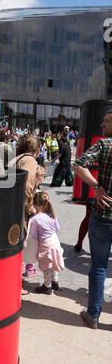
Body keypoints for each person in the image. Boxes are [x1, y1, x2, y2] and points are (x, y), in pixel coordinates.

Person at [73, 109, 112, 329]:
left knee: (98, 266)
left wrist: (96, 187)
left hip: (104, 216)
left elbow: (78, 164)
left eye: (107, 121)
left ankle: (93, 314)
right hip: (103, 218)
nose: (102, 125)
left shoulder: (104, 145)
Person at [11, 135, 43, 280]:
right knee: (17, 245)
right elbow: (27, 186)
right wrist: (30, 208)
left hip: (10, 205)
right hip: (19, 208)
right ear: (37, 150)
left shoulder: (16, 158)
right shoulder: (29, 161)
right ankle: (16, 284)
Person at [30, 191, 64, 295]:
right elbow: (57, 228)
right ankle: (55, 282)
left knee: (46, 265)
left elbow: (34, 236)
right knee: (54, 261)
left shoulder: (35, 219)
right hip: (55, 240)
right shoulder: (52, 215)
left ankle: (47, 286)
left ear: (35, 204)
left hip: (45, 244)